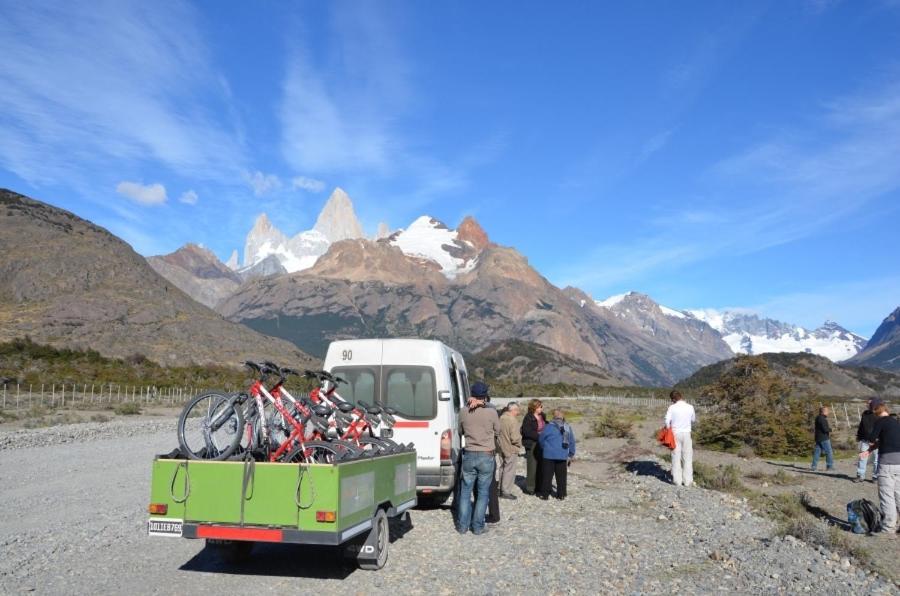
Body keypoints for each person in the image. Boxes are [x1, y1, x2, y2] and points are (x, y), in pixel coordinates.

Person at [455, 381, 500, 535]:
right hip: (486, 454)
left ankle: (462, 526)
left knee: (465, 492)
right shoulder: (492, 412)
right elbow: (498, 430)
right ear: (485, 396)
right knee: (483, 493)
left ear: (472, 395)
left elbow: (460, 431)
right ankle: (478, 526)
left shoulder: (463, 411)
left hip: (469, 453)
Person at [863, 402, 899, 535]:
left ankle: (888, 527)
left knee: (887, 495)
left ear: (876, 413)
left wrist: (870, 442)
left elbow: (872, 438)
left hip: (887, 463)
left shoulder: (880, 422)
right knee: (898, 494)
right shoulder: (896, 422)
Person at [536, 409, 575, 500]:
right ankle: (561, 494)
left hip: (548, 454)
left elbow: (541, 440)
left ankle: (545, 495)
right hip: (562, 454)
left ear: (553, 416)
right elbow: (571, 442)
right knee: (561, 476)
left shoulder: (548, 427)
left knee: (547, 475)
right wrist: (571, 454)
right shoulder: (567, 427)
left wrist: (544, 448)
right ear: (563, 417)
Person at [665, 390, 696, 487]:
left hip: (675, 433)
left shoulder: (672, 407)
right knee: (687, 457)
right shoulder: (690, 407)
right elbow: (693, 419)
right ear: (681, 396)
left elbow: (667, 421)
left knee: (675, 456)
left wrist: (668, 428)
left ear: (673, 399)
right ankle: (688, 481)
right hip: (686, 433)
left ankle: (677, 481)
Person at [497, 401, 523, 499]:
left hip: (501, 447)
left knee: (502, 468)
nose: (518, 413)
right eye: (517, 410)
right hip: (511, 448)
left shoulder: (501, 418)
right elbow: (515, 437)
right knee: (509, 470)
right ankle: (506, 491)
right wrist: (519, 444)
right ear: (513, 410)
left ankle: (500, 489)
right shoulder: (512, 420)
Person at [521, 399, 547, 495]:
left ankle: (539, 486)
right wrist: (540, 436)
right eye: (540, 406)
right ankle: (530, 488)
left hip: (541, 443)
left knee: (541, 465)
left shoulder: (542, 416)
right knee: (532, 466)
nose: (541, 408)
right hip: (531, 444)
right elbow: (527, 432)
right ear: (534, 407)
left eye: (541, 406)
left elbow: (545, 425)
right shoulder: (528, 417)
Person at [855, 398, 882, 483]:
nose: (868, 405)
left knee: (876, 460)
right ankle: (860, 475)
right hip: (865, 439)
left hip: (876, 441)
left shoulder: (880, 414)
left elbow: (883, 428)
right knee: (862, 457)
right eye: (868, 404)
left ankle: (875, 476)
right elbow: (861, 425)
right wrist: (859, 436)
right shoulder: (865, 414)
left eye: (870, 404)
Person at [811, 406, 834, 472]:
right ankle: (829, 466)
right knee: (829, 452)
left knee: (817, 452)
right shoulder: (822, 419)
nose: (828, 412)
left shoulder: (818, 418)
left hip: (818, 437)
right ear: (823, 411)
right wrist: (831, 429)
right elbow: (825, 429)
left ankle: (814, 466)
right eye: (827, 411)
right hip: (824, 438)